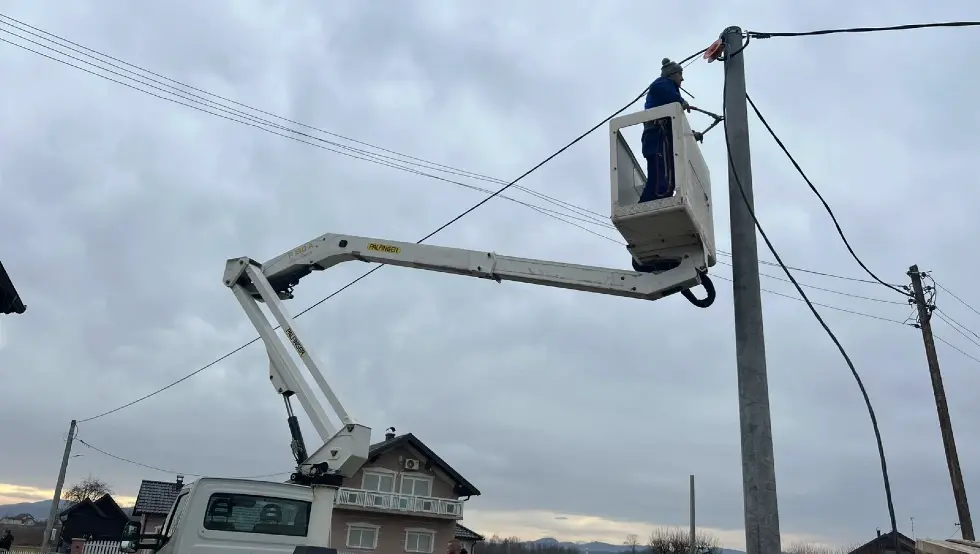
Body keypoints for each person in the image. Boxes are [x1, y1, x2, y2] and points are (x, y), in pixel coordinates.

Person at [639, 58, 701, 203]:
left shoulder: (670, 97)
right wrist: (681, 101)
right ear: (672, 74)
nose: (682, 78)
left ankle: (653, 202)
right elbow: (660, 89)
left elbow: (678, 125)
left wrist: (691, 135)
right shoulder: (662, 84)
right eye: (680, 74)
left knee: (665, 179)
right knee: (660, 177)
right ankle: (648, 203)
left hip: (660, 137)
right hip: (657, 136)